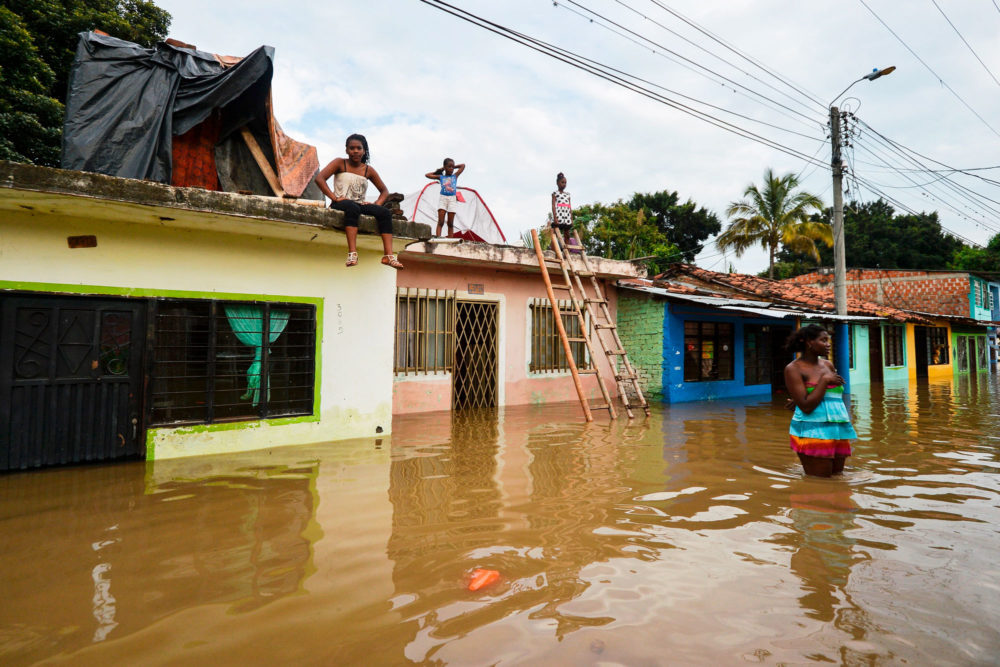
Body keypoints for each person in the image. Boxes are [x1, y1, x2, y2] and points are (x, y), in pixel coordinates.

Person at [314, 133, 403, 269]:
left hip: (359, 204)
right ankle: (352, 253)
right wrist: (334, 197)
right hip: (341, 203)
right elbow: (319, 179)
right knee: (352, 207)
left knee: (384, 212)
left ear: (364, 150)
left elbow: (384, 191)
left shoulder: (368, 170)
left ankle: (388, 256)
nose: (355, 151)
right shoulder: (339, 163)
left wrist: (376, 203)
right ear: (347, 150)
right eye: (352, 148)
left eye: (359, 148)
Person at [783, 324, 857, 477]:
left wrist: (798, 400)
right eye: (823, 340)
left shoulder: (828, 365)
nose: (828, 344)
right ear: (809, 342)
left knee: (838, 478)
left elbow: (829, 395)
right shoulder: (794, 369)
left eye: (828, 340)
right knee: (820, 482)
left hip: (838, 428)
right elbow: (806, 407)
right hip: (813, 430)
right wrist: (823, 381)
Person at [424, 158, 465, 237]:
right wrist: (441, 169)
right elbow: (427, 175)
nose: (452, 169)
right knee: (441, 221)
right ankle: (438, 238)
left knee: (450, 223)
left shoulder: (455, 176)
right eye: (449, 167)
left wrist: (453, 166)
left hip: (452, 199)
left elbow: (463, 166)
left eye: (452, 167)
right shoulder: (441, 177)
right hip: (443, 199)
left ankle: (450, 241)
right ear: (445, 167)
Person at [550, 172, 575, 249]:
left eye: (565, 183)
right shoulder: (555, 193)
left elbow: (570, 206)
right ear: (557, 183)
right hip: (559, 214)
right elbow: (553, 205)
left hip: (566, 215)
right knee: (555, 233)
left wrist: (571, 218)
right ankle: (553, 249)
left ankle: (567, 250)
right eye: (562, 182)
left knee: (567, 234)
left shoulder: (568, 194)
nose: (564, 184)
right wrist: (555, 217)